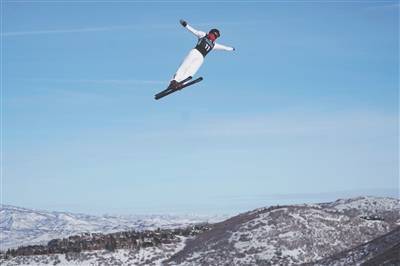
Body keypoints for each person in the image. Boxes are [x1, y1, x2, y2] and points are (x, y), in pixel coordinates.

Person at [169, 19, 235, 89]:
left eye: (216, 37)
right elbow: (193, 31)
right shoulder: (203, 35)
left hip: (201, 58)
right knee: (185, 65)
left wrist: (231, 49)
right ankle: (174, 81)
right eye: (214, 35)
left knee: (192, 70)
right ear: (210, 32)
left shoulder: (214, 45)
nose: (214, 37)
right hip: (195, 52)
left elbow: (224, 48)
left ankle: (181, 83)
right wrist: (186, 25)